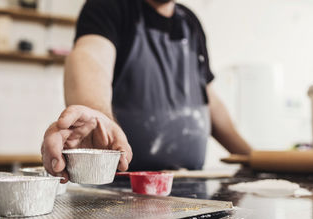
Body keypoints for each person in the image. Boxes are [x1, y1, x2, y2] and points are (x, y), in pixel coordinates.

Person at [41, 0, 251, 181]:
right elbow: (90, 57)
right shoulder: (109, 6)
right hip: (124, 191)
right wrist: (97, 116)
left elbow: (208, 98)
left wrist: (253, 157)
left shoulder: (190, 23)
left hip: (192, 186)